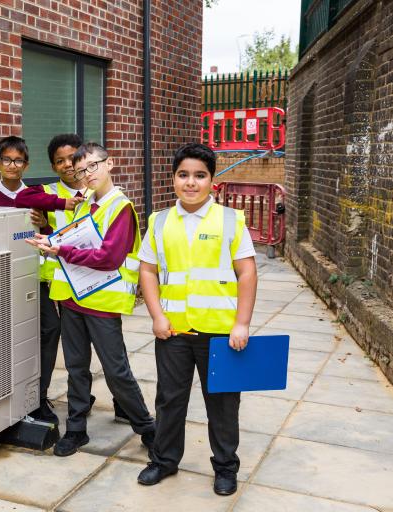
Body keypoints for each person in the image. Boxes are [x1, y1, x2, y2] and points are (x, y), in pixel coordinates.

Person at [136, 143, 257, 496]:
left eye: (199, 176)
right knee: (169, 399)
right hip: (173, 331)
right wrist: (157, 315)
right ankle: (164, 460)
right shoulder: (159, 221)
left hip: (220, 332)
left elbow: (247, 273)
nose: (191, 183)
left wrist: (242, 323)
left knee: (222, 401)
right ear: (173, 179)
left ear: (211, 181)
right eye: (183, 175)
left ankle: (225, 467)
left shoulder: (231, 220)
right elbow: (148, 270)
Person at [26, 142, 156, 458]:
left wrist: (61, 250)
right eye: (81, 170)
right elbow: (72, 239)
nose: (87, 174)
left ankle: (146, 427)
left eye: (92, 166)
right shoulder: (83, 205)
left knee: (116, 369)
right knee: (75, 368)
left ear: (109, 164)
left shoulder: (120, 208)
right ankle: (76, 430)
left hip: (102, 303)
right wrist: (49, 239)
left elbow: (109, 257)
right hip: (72, 299)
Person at [14, 133, 86, 424]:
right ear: (53, 166)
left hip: (86, 277)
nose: (67, 165)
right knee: (50, 333)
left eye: (72, 158)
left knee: (82, 344)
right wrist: (63, 204)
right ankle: (40, 397)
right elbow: (23, 196)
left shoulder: (98, 189)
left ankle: (88, 396)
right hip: (51, 278)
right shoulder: (50, 191)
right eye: (59, 161)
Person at [0, 135, 30, 207]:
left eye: (18, 161)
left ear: (25, 166)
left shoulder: (35, 197)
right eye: (6, 160)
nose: (12, 166)